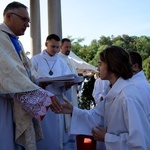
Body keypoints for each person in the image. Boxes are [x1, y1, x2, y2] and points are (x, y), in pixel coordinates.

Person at [53, 46, 150, 150]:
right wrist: (73, 110)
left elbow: (139, 142)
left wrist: (106, 138)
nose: (98, 68)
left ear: (112, 66)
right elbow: (96, 116)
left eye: (101, 64)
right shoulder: (113, 91)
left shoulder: (127, 97)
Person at [0, 2, 61, 150]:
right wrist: (40, 94)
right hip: (3, 102)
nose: (28, 25)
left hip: (16, 100)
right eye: (24, 19)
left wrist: (38, 82)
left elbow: (28, 70)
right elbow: (9, 71)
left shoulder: (15, 41)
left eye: (29, 21)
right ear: (9, 16)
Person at [31, 34, 77, 150]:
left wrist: (67, 85)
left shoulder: (61, 62)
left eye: (57, 47)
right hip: (42, 102)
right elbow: (29, 80)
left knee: (59, 132)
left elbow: (67, 78)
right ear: (46, 44)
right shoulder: (35, 60)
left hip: (58, 101)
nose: (55, 50)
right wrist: (39, 83)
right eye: (53, 47)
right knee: (46, 133)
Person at [129, 51, 150, 123]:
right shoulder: (136, 84)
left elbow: (140, 120)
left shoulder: (139, 87)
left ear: (135, 66)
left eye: (126, 65)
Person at [58, 38, 79, 107]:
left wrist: (79, 81)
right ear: (61, 47)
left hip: (72, 90)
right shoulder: (57, 59)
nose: (68, 49)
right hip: (63, 91)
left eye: (70, 47)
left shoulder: (71, 61)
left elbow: (76, 75)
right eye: (66, 47)